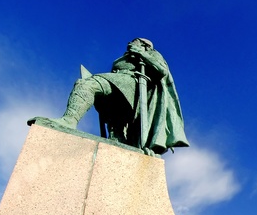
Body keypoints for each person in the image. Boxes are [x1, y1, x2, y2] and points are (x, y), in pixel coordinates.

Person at [35, 38, 189, 155]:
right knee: (115, 128)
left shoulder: (150, 53)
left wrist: (141, 54)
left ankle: (69, 121)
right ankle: (73, 122)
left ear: (144, 45)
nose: (130, 43)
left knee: (89, 84)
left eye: (135, 42)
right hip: (118, 81)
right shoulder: (123, 58)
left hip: (133, 83)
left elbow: (161, 71)